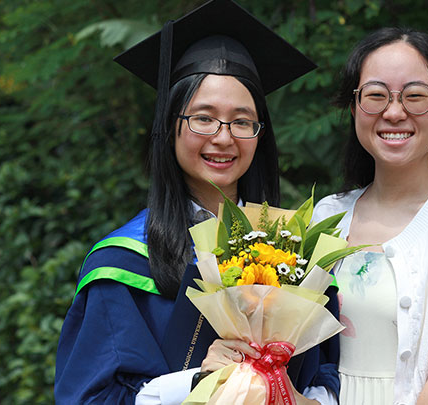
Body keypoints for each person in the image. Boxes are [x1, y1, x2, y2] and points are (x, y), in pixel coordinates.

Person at [55, 1, 338, 404]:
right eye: (202, 118)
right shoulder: (122, 265)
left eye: (242, 121)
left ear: (261, 135)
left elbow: (327, 376)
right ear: (169, 128)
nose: (223, 137)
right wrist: (196, 381)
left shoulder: (295, 260)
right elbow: (90, 397)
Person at [312, 27, 428, 405]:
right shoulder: (327, 214)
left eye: (415, 97)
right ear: (354, 108)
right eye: (376, 96)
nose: (394, 112)